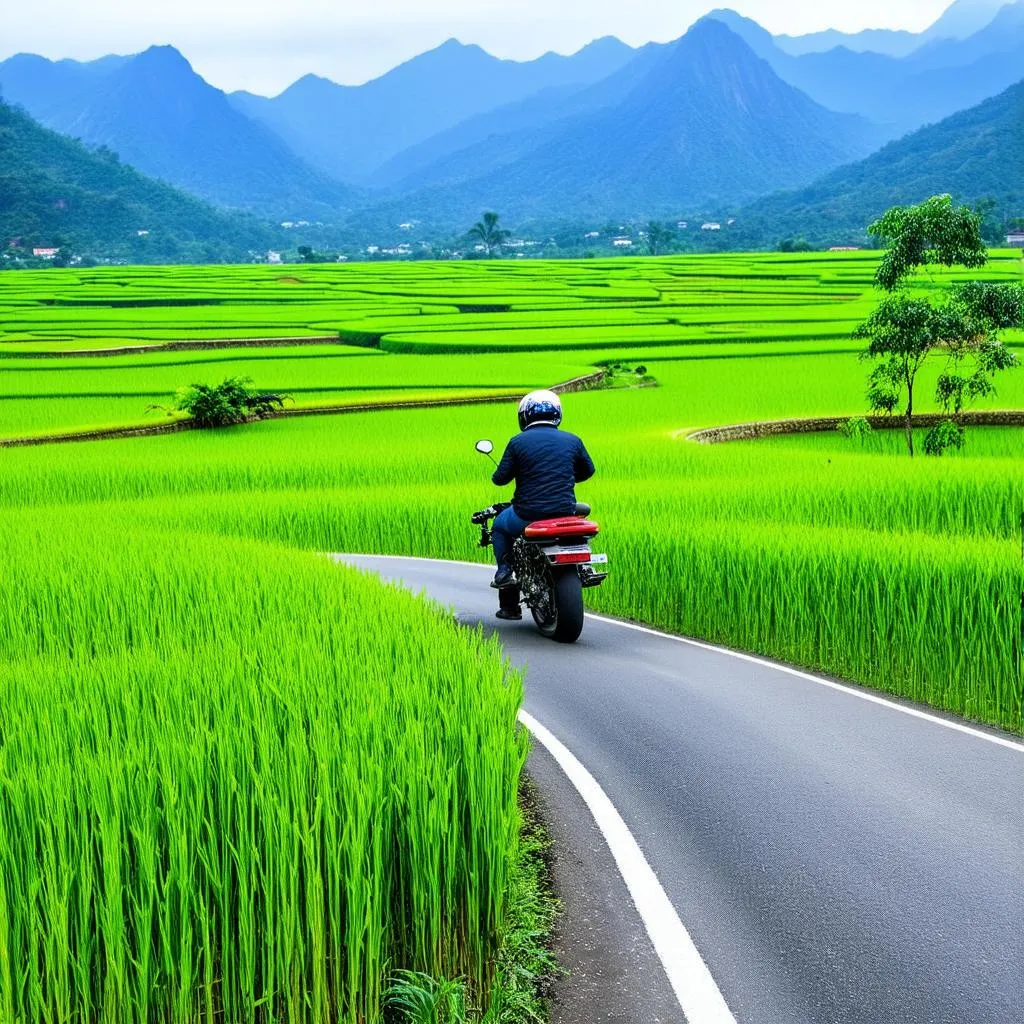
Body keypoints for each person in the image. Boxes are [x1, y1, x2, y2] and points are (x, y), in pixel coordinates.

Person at [490, 390, 596, 601]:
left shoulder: (517, 442)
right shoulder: (573, 440)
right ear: (557, 413)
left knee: (500, 526)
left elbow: (500, 479)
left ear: (524, 415)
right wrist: (563, 477)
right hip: (564, 510)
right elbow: (588, 470)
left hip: (527, 513)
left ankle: (504, 571)